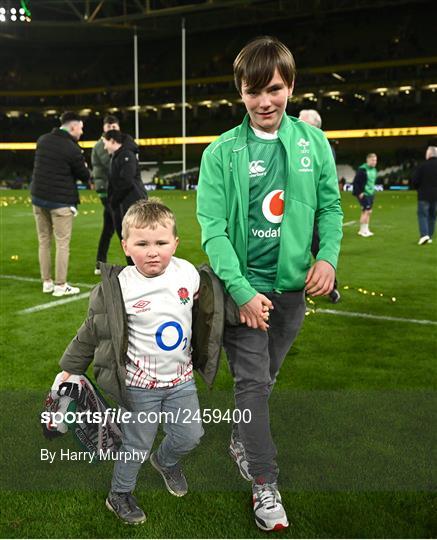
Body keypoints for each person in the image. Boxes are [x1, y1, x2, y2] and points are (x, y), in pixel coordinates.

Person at [197, 36, 342, 531]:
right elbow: (213, 232)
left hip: (291, 292)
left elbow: (331, 208)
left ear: (291, 86)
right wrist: (239, 292)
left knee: (268, 377)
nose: (265, 101)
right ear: (239, 92)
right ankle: (264, 483)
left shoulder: (313, 143)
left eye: (274, 89)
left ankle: (243, 436)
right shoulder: (220, 153)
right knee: (253, 382)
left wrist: (328, 258)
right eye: (253, 90)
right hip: (242, 293)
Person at [59, 198, 203, 525]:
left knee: (190, 435)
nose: (153, 251)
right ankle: (119, 494)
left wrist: (247, 310)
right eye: (142, 244)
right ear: (126, 246)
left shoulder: (189, 274)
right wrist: (70, 366)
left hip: (181, 380)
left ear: (175, 243)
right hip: (139, 386)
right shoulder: (119, 287)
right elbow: (91, 330)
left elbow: (212, 313)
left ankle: (165, 461)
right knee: (137, 444)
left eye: (161, 243)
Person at [31, 111, 90, 296]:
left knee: (44, 241)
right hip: (60, 202)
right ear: (72, 127)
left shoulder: (42, 140)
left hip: (39, 198)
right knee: (62, 243)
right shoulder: (72, 148)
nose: (81, 132)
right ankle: (60, 285)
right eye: (80, 128)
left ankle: (46, 282)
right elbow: (84, 175)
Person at [298, 108, 341, 303]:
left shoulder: (322, 148)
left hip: (314, 211)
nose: (297, 124)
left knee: (317, 249)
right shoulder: (295, 144)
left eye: (302, 121)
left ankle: (329, 286)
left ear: (315, 126)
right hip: (295, 209)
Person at [102, 130, 147, 243]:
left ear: (112, 141)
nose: (104, 147)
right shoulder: (117, 156)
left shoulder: (127, 155)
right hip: (121, 204)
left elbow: (126, 181)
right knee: (126, 240)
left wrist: (114, 200)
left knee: (133, 240)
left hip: (131, 203)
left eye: (105, 142)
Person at [91, 115, 119, 275]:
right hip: (107, 190)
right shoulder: (102, 145)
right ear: (104, 128)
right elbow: (111, 164)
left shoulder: (113, 142)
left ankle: (99, 263)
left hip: (111, 189)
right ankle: (134, 263)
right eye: (109, 128)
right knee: (120, 225)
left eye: (114, 127)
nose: (112, 130)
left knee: (108, 228)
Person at [411, 146, 437, 245]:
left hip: (424, 194)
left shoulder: (422, 166)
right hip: (436, 196)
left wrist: (418, 188)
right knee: (432, 216)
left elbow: (415, 180)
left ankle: (424, 235)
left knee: (423, 215)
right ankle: (429, 236)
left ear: (429, 154)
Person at [352, 153, 378, 237]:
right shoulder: (362, 170)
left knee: (367, 211)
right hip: (364, 193)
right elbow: (356, 182)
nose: (374, 162)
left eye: (375, 160)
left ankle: (365, 229)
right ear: (368, 160)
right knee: (367, 211)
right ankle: (362, 230)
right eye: (373, 160)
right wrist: (360, 192)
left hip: (371, 193)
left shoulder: (374, 170)